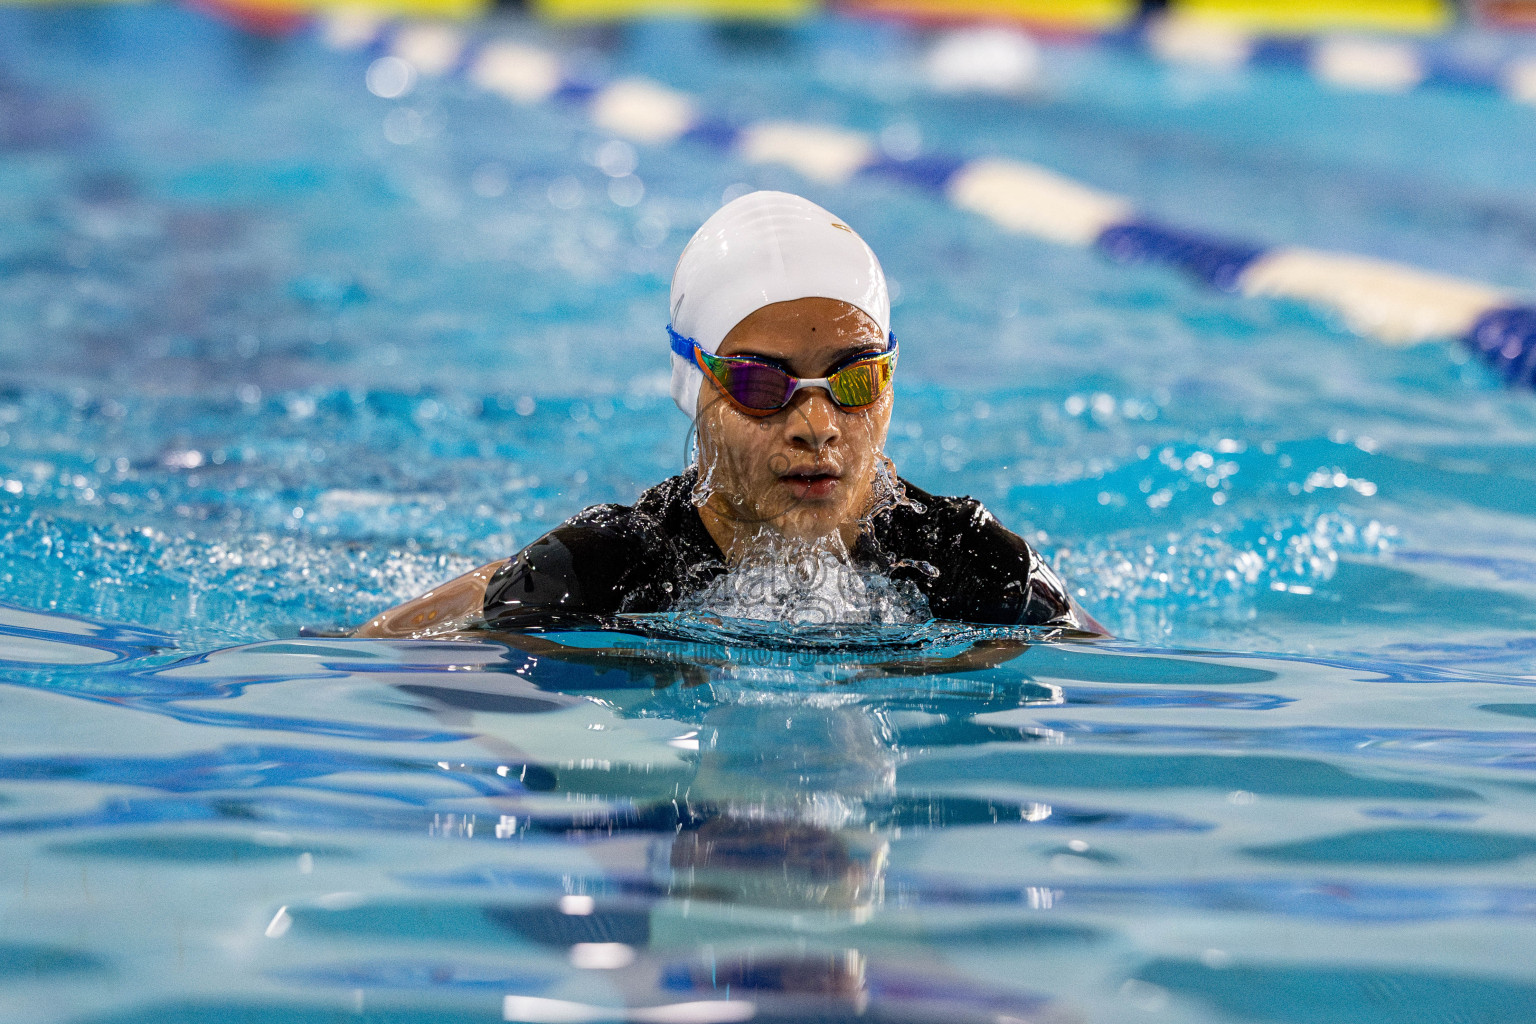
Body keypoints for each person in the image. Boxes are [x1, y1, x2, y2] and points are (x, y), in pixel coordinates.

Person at [356, 190, 1101, 638]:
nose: (818, 425)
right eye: (760, 383)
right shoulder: (599, 576)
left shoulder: (973, 568)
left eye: (855, 379)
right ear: (696, 385)